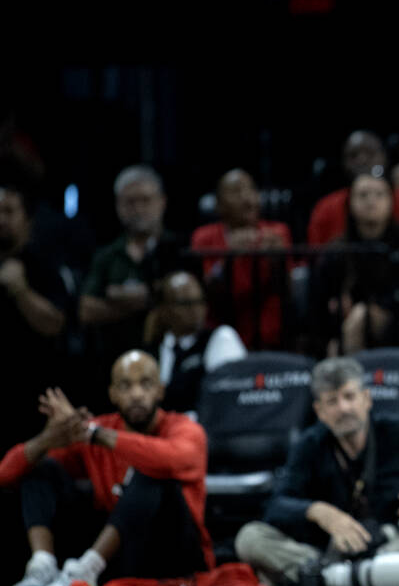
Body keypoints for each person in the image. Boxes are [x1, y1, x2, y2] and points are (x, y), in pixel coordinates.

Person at [235, 357, 399, 586]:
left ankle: (326, 583)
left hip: (388, 546)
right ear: (319, 411)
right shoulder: (309, 445)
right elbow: (276, 506)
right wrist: (319, 512)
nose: (343, 408)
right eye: (332, 401)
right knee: (250, 537)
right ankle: (353, 582)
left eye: (349, 396)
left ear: (366, 398)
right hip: (325, 553)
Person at [2, 351, 212, 586]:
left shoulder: (186, 429)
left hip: (174, 553)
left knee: (152, 468)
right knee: (41, 467)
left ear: (160, 390)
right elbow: (5, 475)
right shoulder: (98, 430)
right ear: (112, 394)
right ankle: (42, 566)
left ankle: (85, 570)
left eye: (145, 384)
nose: (136, 393)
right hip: (125, 553)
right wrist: (47, 440)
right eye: (125, 386)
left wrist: (93, 434)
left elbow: (170, 459)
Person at [79, 166, 186, 377]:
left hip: (171, 363)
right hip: (115, 361)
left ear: (162, 202)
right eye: (130, 202)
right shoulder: (107, 255)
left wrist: (120, 298)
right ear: (118, 206)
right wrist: (151, 300)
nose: (138, 208)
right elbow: (87, 310)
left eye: (145, 200)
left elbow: (186, 307)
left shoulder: (180, 250)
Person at [307, 173, 399, 356]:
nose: (371, 201)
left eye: (379, 194)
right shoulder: (336, 252)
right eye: (363, 195)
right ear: (350, 203)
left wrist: (382, 312)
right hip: (345, 330)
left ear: (391, 201)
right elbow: (317, 307)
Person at [190, 169, 292, 350]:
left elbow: (289, 289)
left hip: (271, 334)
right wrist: (229, 257)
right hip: (221, 334)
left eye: (250, 189)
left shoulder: (277, 232)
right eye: (236, 192)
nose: (246, 198)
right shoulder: (204, 238)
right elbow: (205, 291)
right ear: (219, 205)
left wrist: (277, 260)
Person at [0, 184, 68, 454]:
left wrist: (20, 290)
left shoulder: (43, 263)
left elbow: (54, 324)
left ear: (27, 218)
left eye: (8, 211)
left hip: (32, 397)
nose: (1, 219)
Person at [307, 131, 399, 246]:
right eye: (353, 155)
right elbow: (315, 257)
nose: (362, 160)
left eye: (370, 153)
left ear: (384, 157)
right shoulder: (325, 208)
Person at [152, 271, 246, 416]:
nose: (196, 309)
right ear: (164, 310)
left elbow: (231, 398)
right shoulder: (151, 348)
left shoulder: (220, 338)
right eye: (186, 303)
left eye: (200, 301)